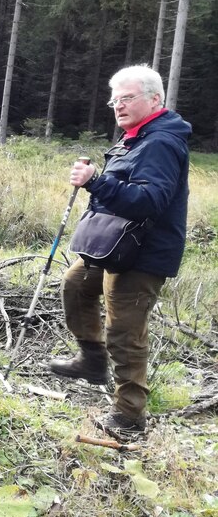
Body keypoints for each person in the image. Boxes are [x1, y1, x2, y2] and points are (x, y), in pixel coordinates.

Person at [49, 64, 190, 441]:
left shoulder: (160, 142)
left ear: (154, 99)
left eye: (127, 98)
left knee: (125, 330)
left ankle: (129, 415)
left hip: (143, 252)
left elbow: (150, 200)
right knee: (76, 284)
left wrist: (96, 182)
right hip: (115, 243)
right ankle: (93, 363)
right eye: (115, 99)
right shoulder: (135, 138)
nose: (118, 106)